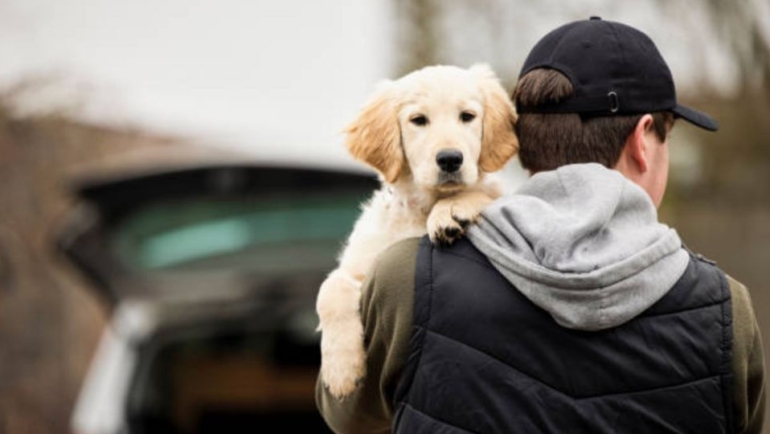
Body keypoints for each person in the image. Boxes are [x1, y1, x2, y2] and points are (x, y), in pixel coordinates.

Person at [315, 17, 766, 433]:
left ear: (518, 141)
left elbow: (348, 415)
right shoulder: (726, 309)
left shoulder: (405, 277)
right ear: (643, 141)